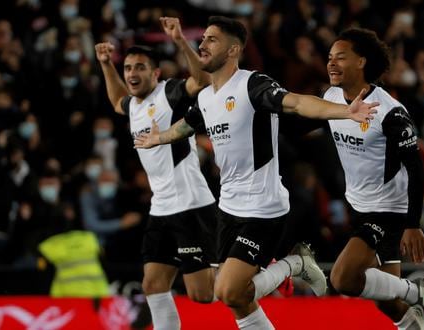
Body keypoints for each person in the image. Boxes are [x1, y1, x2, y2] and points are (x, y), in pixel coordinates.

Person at [134, 16, 378, 330]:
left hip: (263, 207)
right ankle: (294, 264)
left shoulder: (252, 84)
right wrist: (160, 137)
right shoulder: (207, 97)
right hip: (228, 208)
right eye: (204, 38)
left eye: (212, 40)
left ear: (233, 50)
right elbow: (188, 125)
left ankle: (295, 263)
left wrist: (344, 111)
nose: (203, 44)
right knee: (235, 297)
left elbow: (296, 104)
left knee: (228, 290)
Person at [95, 17, 218, 330]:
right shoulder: (134, 105)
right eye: (129, 68)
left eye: (140, 67)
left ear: (156, 73)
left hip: (191, 205)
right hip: (161, 209)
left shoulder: (170, 93)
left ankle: (267, 271)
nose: (133, 73)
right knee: (153, 285)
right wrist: (107, 64)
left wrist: (179, 41)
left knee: (203, 295)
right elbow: (116, 101)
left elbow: (201, 81)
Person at [323, 28, 424, 329]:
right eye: (330, 57)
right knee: (387, 299)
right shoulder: (331, 97)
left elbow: (416, 169)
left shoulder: (390, 113)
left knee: (343, 278)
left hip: (388, 210)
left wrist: (413, 224)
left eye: (341, 57)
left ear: (361, 62)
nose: (332, 63)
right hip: (357, 205)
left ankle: (417, 292)